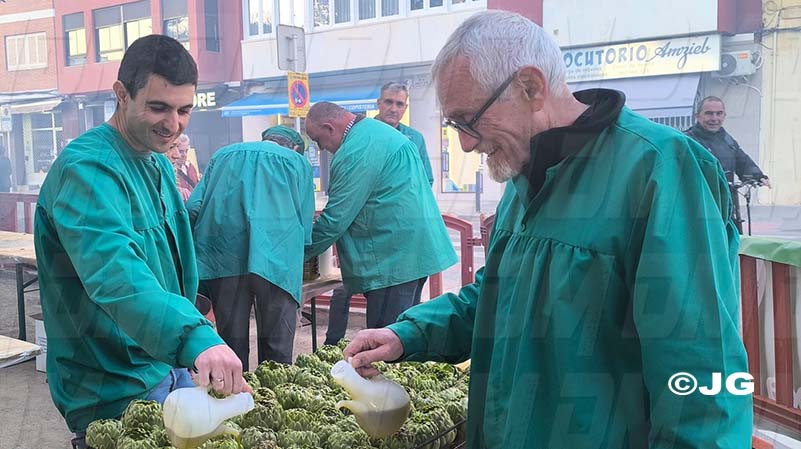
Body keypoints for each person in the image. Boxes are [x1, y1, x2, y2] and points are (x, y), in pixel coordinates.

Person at [345, 10, 751, 449]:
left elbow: (700, 369)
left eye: (468, 120)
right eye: (453, 125)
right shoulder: (522, 173)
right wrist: (406, 334)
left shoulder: (660, 169)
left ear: (530, 87)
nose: (465, 142)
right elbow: (496, 296)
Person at [33, 35, 249, 449]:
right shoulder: (88, 169)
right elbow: (116, 273)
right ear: (121, 94)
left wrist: (196, 319)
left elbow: (168, 264)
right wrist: (192, 337)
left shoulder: (157, 162)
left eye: (184, 110)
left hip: (166, 362)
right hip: (112, 381)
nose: (173, 124)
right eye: (158, 107)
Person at [305, 102, 456, 332]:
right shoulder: (377, 133)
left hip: (392, 260)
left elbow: (336, 218)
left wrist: (298, 253)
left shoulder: (356, 149)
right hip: (413, 254)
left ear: (329, 128)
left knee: (383, 340)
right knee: (402, 336)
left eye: (318, 140)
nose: (321, 148)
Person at [187, 125, 314, 369]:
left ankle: (235, 390)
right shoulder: (297, 162)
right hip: (276, 260)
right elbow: (305, 221)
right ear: (295, 147)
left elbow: (193, 207)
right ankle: (274, 389)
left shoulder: (222, 155)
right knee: (277, 347)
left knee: (231, 343)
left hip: (223, 257)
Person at [323, 82, 436, 346]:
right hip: (370, 241)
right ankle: (333, 343)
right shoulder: (363, 133)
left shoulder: (414, 138)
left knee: (400, 320)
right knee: (344, 293)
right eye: (388, 102)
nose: (393, 108)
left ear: (405, 107)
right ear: (378, 103)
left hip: (403, 242)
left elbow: (425, 180)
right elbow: (348, 192)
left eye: (399, 104)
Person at [685, 96, 770, 233]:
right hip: (698, 206)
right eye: (709, 113)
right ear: (697, 116)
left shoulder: (727, 140)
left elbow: (742, 160)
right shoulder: (687, 140)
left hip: (727, 203)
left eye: (719, 113)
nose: (714, 118)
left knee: (731, 236)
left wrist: (758, 176)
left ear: (724, 115)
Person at [168, 133, 200, 200]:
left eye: (186, 151)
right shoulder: (169, 168)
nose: (184, 155)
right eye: (181, 151)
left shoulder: (190, 167)